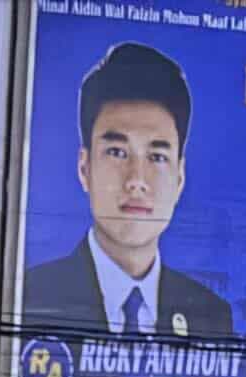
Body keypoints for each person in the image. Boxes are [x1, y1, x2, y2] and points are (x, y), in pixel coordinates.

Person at [19, 42, 234, 340]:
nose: (136, 180)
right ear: (85, 168)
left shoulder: (211, 317)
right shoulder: (30, 298)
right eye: (118, 152)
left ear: (180, 178)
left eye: (157, 157)